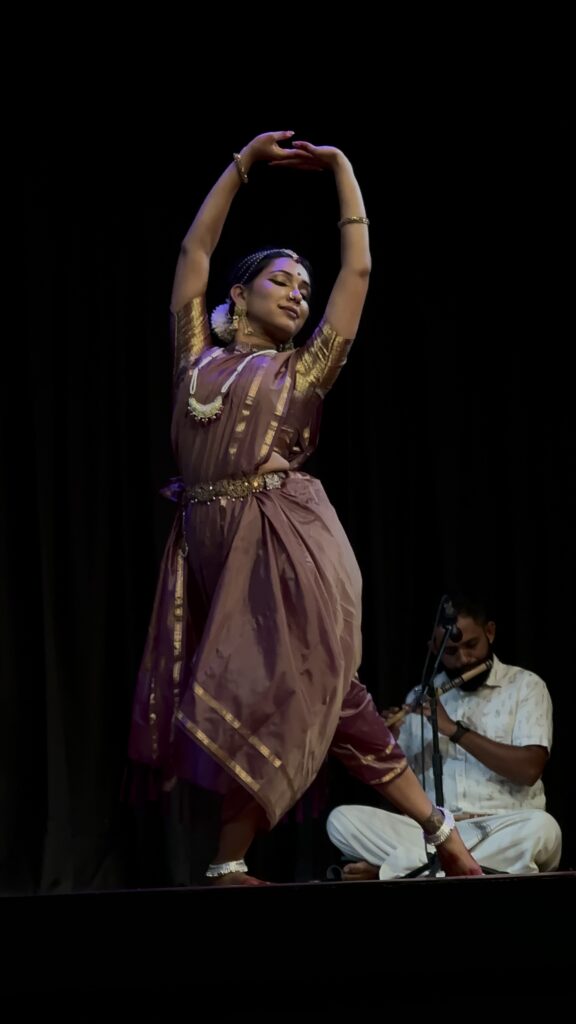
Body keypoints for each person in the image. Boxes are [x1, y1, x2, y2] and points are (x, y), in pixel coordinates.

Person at [128, 131, 483, 885]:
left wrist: (343, 170)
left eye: (304, 288)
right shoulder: (195, 356)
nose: (298, 293)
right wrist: (241, 166)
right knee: (310, 697)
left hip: (282, 541)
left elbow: (359, 270)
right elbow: (194, 251)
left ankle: (234, 861)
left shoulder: (304, 370)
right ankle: (439, 836)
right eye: (283, 281)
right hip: (208, 545)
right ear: (238, 294)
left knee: (302, 688)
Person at [327, 593, 562, 878]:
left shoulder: (526, 686)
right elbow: (399, 791)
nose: (463, 659)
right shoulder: (418, 698)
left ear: (490, 632)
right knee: (340, 821)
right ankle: (464, 867)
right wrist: (387, 741)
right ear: (434, 648)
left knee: (544, 829)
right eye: (450, 651)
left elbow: (529, 770)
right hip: (436, 833)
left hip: (501, 826)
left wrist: (453, 730)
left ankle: (400, 870)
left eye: (471, 645)